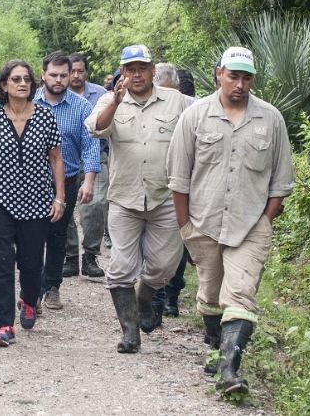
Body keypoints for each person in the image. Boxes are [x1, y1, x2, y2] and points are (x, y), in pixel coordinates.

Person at [167, 46, 293, 395]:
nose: (240, 84)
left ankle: (228, 371)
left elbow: (281, 183)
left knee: (240, 295)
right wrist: (186, 227)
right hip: (203, 223)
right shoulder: (194, 117)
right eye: (233, 76)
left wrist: (265, 221)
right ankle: (214, 346)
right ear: (219, 74)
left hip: (250, 226)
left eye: (246, 78)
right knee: (210, 295)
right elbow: (178, 179)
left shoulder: (271, 119)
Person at [85, 45, 185, 354]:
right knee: (121, 268)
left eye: (142, 68)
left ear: (153, 70)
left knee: (163, 267)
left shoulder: (175, 100)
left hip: (164, 196)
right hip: (125, 197)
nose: (137, 74)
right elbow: (96, 129)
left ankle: (144, 299)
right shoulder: (110, 99)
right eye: (130, 69)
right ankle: (130, 333)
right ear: (122, 73)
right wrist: (116, 102)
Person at [0, 59, 65, 347]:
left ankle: (28, 298)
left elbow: (56, 159)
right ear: (4, 85)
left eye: (26, 79)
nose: (22, 83)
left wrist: (59, 197)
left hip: (36, 200)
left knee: (31, 260)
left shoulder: (45, 117)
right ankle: (4, 325)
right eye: (16, 79)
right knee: (1, 261)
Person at [35, 51, 100, 311]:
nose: (59, 80)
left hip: (67, 182)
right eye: (53, 75)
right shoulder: (29, 102)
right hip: (31, 182)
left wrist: (89, 181)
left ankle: (52, 286)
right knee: (31, 236)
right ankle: (32, 288)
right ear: (43, 74)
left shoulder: (82, 106)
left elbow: (91, 146)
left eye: (64, 75)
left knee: (57, 235)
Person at [151, 62, 195, 318]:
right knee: (155, 247)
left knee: (179, 244)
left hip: (183, 185)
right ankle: (154, 297)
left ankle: (171, 295)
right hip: (153, 185)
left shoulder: (193, 108)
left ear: (177, 88)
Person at [64, 52, 108, 278]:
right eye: (72, 71)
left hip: (97, 156)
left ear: (86, 72)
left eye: (80, 71)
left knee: (96, 203)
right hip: (67, 158)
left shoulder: (101, 94)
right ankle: (70, 255)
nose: (76, 75)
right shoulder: (57, 94)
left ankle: (90, 254)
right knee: (64, 206)